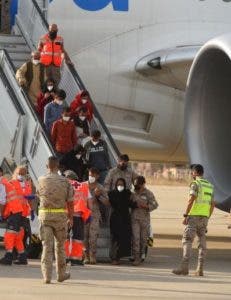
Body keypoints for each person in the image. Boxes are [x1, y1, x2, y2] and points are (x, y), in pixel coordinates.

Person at [172, 164, 215, 277]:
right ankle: (200, 269)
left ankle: (184, 268)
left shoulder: (195, 184)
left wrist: (186, 215)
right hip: (204, 218)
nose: (191, 174)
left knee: (187, 240)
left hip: (194, 217)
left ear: (195, 173)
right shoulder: (210, 186)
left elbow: (191, 199)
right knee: (202, 243)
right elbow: (212, 204)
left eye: (192, 172)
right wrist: (207, 217)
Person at [37, 156, 74, 284]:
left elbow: (39, 196)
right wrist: (71, 218)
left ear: (47, 166)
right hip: (60, 218)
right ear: (58, 166)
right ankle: (61, 274)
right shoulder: (65, 181)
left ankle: (47, 276)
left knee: (46, 247)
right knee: (60, 247)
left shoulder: (41, 180)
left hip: (45, 217)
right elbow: (70, 202)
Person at [64, 170, 91, 266]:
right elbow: (89, 202)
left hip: (66, 215)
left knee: (65, 237)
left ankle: (64, 258)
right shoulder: (84, 186)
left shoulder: (65, 185)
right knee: (78, 238)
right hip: (79, 216)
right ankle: (76, 260)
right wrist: (89, 214)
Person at [108, 178, 137, 265]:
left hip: (125, 219)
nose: (120, 186)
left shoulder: (127, 194)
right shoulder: (112, 193)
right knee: (115, 238)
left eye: (121, 185)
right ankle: (114, 258)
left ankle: (119, 257)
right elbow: (110, 202)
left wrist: (137, 202)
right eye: (118, 184)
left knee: (123, 238)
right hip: (115, 219)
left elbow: (131, 204)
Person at [131, 176, 158, 266]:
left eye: (137, 184)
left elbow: (155, 204)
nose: (136, 186)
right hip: (135, 219)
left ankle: (142, 254)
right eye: (134, 184)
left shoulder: (148, 193)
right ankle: (136, 257)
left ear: (142, 184)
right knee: (136, 238)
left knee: (143, 239)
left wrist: (146, 206)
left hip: (144, 220)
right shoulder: (132, 193)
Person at [0, 172, 26, 265]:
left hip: (14, 211)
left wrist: (1, 214)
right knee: (17, 235)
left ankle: (8, 257)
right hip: (18, 210)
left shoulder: (1, 184)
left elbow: (2, 201)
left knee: (9, 235)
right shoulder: (5, 182)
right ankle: (22, 257)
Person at [10, 166, 35, 263]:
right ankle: (14, 254)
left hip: (24, 213)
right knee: (14, 234)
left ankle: (19, 255)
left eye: (23, 174)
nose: (21, 175)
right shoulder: (12, 183)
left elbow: (29, 199)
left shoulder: (27, 184)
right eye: (20, 173)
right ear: (16, 173)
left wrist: (32, 211)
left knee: (22, 235)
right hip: (14, 212)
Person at [84, 167, 109, 264]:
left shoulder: (100, 187)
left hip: (95, 215)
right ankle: (86, 256)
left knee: (93, 236)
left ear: (98, 176)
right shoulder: (83, 186)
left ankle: (92, 256)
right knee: (85, 236)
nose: (91, 176)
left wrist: (99, 196)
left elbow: (107, 202)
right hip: (84, 215)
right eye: (90, 175)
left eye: (93, 175)